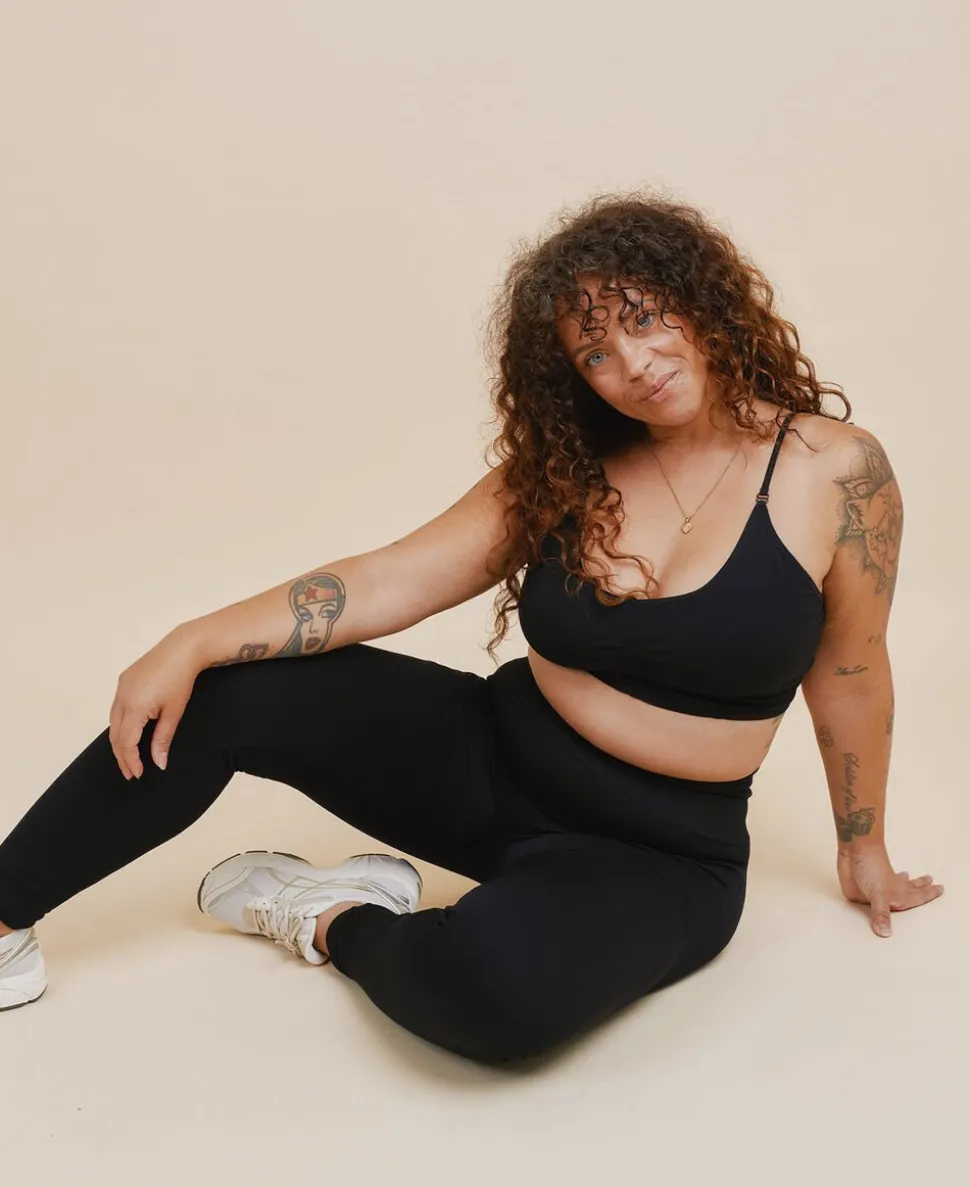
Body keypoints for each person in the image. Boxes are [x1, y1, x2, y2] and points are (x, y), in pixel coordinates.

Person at [0, 192, 944, 1066]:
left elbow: (852, 670)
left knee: (496, 1001)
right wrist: (191, 638)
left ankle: (331, 911)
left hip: (657, 851)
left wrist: (861, 844)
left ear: (704, 305)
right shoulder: (568, 467)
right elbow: (389, 580)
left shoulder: (836, 472)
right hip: (492, 760)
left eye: (646, 317)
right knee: (219, 688)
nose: (633, 364)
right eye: (595, 353)